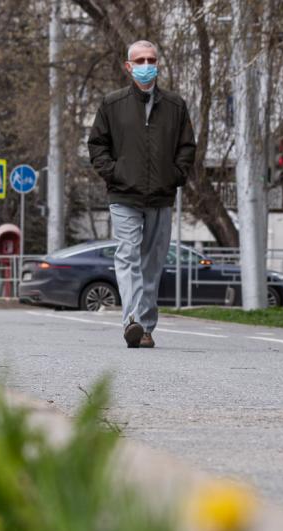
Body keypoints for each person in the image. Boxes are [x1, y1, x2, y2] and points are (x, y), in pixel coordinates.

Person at [87, 40, 196, 348]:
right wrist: (115, 173)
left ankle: (146, 328)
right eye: (140, 60)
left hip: (161, 197)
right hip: (124, 196)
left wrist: (174, 176)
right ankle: (132, 321)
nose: (147, 65)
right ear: (129, 66)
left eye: (151, 59)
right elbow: (97, 145)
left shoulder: (175, 105)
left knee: (152, 265)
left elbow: (187, 147)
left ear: (157, 63)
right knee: (127, 258)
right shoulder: (112, 103)